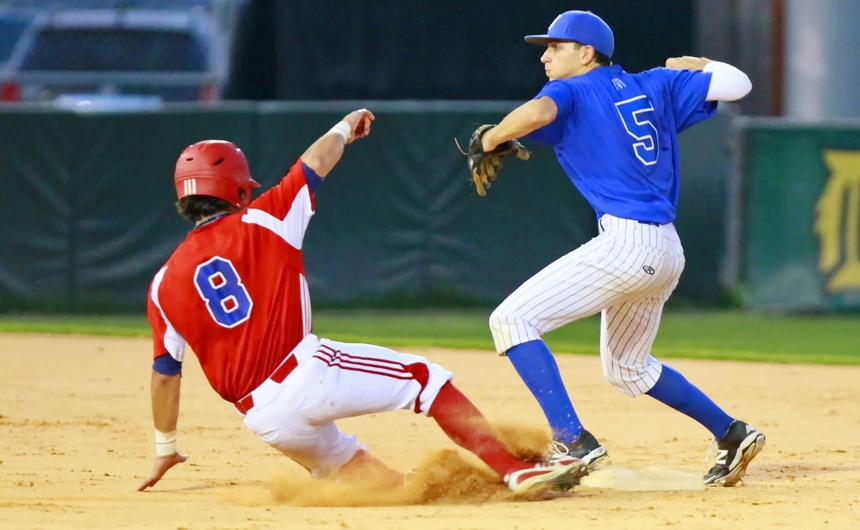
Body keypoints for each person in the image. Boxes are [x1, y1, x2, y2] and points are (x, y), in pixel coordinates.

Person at [137, 108, 586, 495]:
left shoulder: (162, 284)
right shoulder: (264, 218)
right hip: (306, 374)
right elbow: (315, 162)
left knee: (366, 477)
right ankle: (516, 472)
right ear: (238, 190)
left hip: (265, 421)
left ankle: (431, 494)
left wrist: (164, 449)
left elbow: (164, 375)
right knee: (424, 378)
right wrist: (345, 127)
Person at [476, 10, 765, 486]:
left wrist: (490, 136)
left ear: (585, 53)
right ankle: (731, 433)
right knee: (628, 367)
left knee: (511, 320)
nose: (546, 56)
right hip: (666, 248)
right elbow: (737, 85)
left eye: (556, 47)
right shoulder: (657, 83)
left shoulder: (569, 90)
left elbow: (540, 112)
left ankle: (571, 441)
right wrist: (699, 63)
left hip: (627, 242)